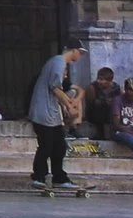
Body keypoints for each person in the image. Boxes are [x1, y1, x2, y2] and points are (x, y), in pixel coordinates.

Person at [28, 38, 89, 193]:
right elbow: (55, 87)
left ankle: (59, 178)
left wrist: (68, 104)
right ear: (74, 50)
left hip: (51, 113)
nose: (80, 56)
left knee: (59, 146)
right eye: (80, 53)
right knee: (46, 145)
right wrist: (69, 106)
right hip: (43, 112)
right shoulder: (59, 62)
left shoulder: (59, 63)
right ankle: (39, 176)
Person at [81, 67, 121, 140]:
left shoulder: (116, 88)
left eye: (102, 79)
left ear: (109, 81)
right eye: (98, 78)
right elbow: (90, 105)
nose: (98, 81)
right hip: (96, 116)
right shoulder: (93, 88)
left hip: (111, 116)